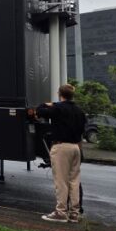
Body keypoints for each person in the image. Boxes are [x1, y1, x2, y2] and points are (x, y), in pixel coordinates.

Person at [36, 83, 86, 223]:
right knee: (74, 180)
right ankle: (75, 213)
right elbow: (82, 130)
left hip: (61, 147)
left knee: (61, 181)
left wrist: (47, 104)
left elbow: (40, 112)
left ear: (60, 94)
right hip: (76, 147)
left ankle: (61, 212)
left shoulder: (57, 108)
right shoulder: (79, 111)